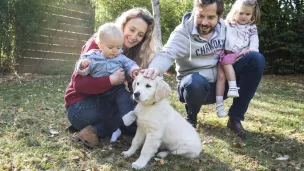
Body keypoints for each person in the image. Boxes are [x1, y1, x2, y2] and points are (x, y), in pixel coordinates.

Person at [143, 0, 265, 138]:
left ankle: (235, 118)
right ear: (194, 11)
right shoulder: (183, 32)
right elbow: (166, 53)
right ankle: (191, 117)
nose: (205, 22)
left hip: (221, 83)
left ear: (219, 17)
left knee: (256, 59)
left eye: (211, 17)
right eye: (200, 16)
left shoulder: (225, 28)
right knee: (195, 82)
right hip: (194, 88)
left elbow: (241, 43)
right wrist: (155, 68)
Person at [64, 8, 160, 148]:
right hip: (80, 105)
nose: (134, 37)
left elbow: (133, 90)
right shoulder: (98, 44)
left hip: (106, 101)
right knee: (129, 115)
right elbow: (78, 84)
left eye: (140, 34)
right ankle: (96, 129)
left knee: (136, 110)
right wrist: (110, 80)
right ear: (123, 25)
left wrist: (140, 77)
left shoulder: (130, 52)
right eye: (132, 29)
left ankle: (97, 128)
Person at [75, 22, 140, 143]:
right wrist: (83, 66)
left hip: (117, 89)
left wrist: (134, 70)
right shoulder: (92, 57)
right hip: (100, 93)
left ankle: (127, 115)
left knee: (124, 98)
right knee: (103, 111)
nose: (115, 51)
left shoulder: (120, 57)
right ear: (100, 45)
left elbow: (129, 64)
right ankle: (115, 129)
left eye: (118, 47)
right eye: (111, 47)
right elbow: (81, 72)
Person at [215, 0, 261, 118]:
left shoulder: (251, 27)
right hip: (226, 54)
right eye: (241, 13)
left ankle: (233, 88)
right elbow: (217, 23)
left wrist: (253, 49)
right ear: (234, 12)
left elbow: (254, 39)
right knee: (221, 77)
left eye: (247, 14)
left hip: (240, 56)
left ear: (252, 15)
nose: (244, 17)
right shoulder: (228, 23)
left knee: (256, 59)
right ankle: (220, 105)